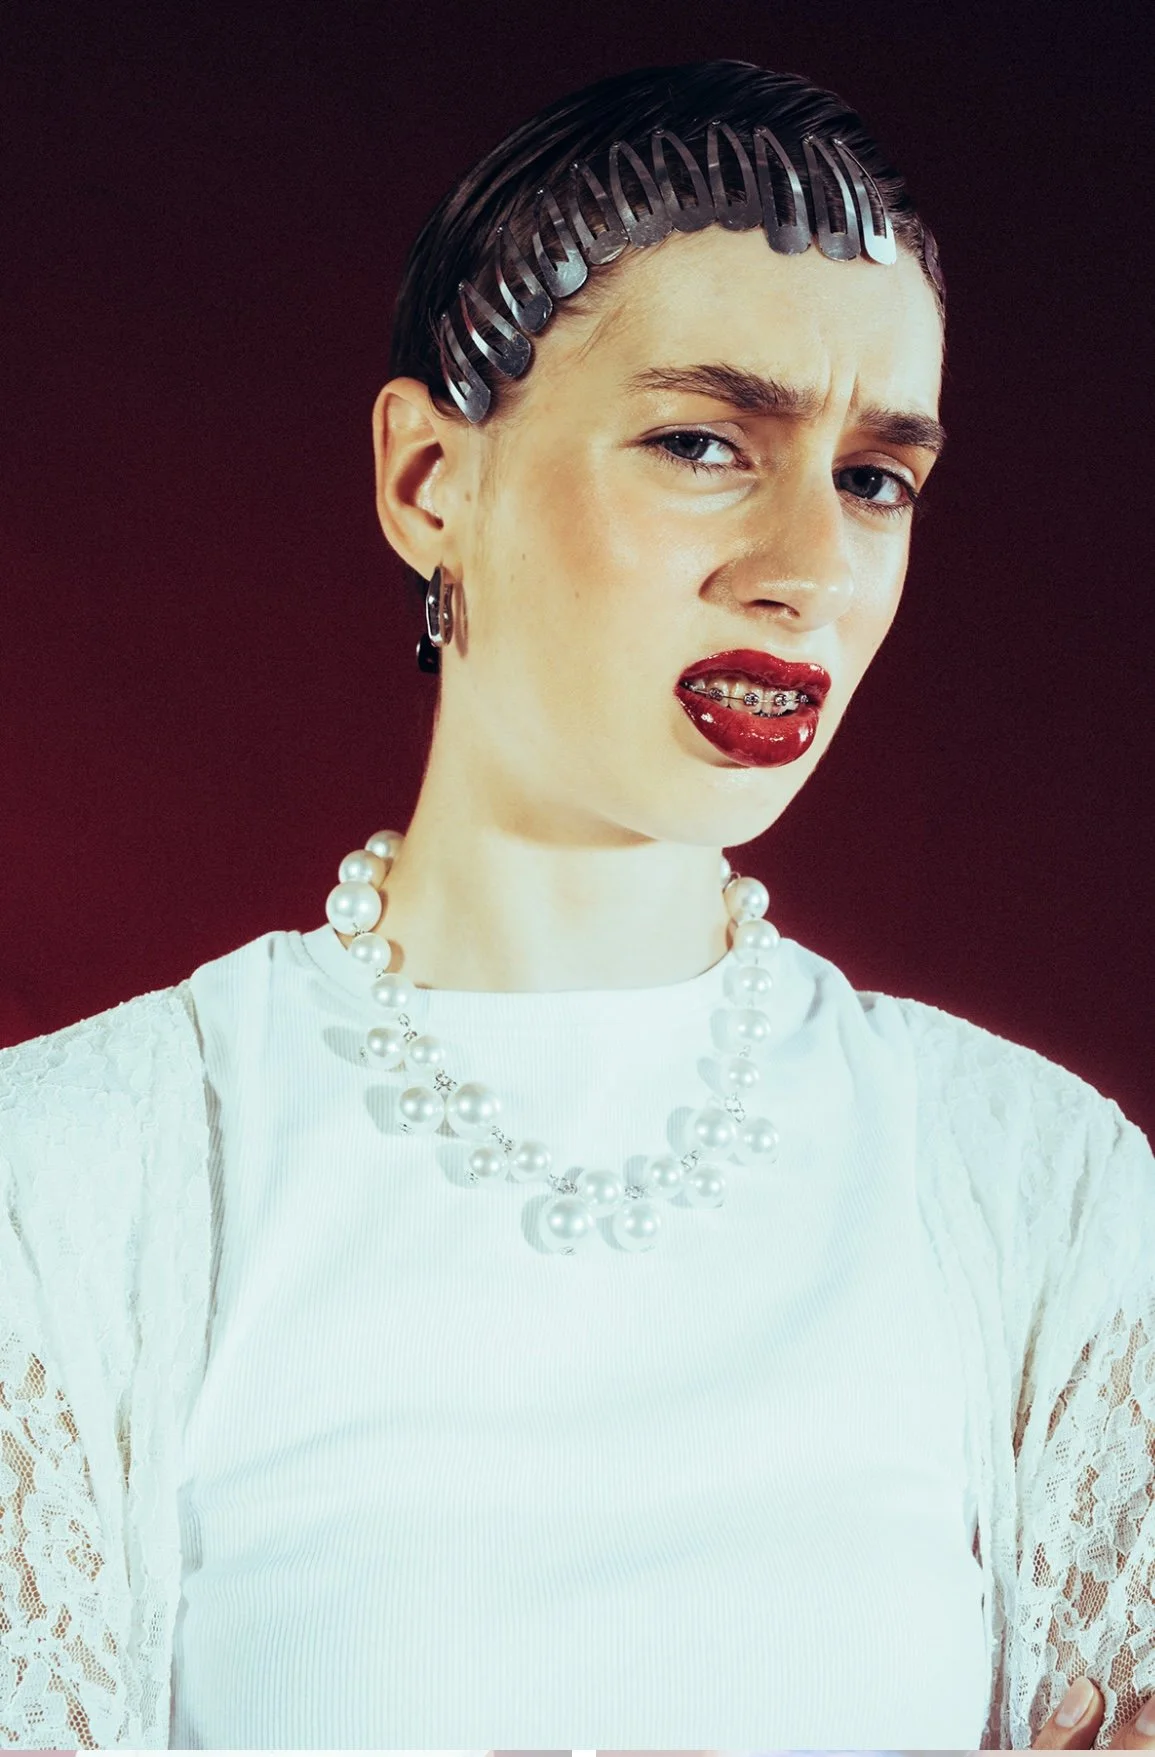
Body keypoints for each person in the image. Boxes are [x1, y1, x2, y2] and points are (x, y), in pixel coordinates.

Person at [0, 56, 1152, 1754]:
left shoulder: (1036, 1185)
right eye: (703, 443)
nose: (809, 566)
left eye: (874, 479)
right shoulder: (76, 1181)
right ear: (427, 483)